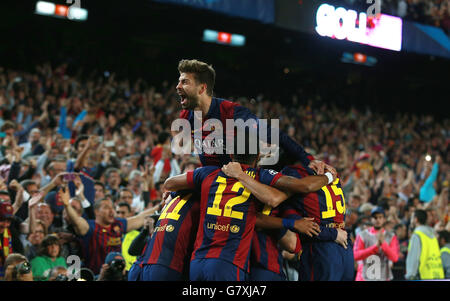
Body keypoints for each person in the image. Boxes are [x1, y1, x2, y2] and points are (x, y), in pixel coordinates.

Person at [164, 133, 332, 281]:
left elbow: (169, 183)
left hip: (198, 262)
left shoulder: (208, 173)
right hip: (230, 263)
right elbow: (292, 193)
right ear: (258, 156)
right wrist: (330, 176)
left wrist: (175, 193)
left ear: (230, 153)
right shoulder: (259, 177)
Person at [175, 59, 335, 176]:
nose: (178, 86)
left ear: (202, 88)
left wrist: (309, 159)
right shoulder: (187, 115)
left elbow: (275, 135)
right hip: (213, 183)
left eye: (185, 82)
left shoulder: (231, 112)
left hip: (241, 184)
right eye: (179, 81)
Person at [221, 161, 350, 281]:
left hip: (227, 261)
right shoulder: (280, 194)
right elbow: (291, 244)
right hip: (266, 265)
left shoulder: (216, 178)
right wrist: (329, 176)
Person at [60, 185, 161, 275]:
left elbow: (140, 218)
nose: (111, 210)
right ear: (96, 211)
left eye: (112, 207)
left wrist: (161, 206)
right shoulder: (90, 227)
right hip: (96, 276)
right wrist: (67, 205)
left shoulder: (118, 224)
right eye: (106, 207)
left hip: (117, 274)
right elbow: (77, 221)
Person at [353, 207, 399, 281]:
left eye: (380, 217)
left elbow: (395, 258)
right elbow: (356, 255)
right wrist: (375, 247)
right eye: (375, 217)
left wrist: (383, 244)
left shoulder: (391, 236)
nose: (378, 220)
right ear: (371, 219)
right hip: (365, 278)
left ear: (384, 219)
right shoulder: (362, 235)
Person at [405, 209, 444, 280]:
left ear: (416, 219)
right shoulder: (433, 236)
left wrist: (410, 275)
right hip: (438, 275)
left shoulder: (417, 235)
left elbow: (414, 258)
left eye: (412, 218)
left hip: (422, 276)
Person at [115, 202, 140, 271]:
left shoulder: (138, 236)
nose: (119, 215)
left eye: (123, 213)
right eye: (117, 212)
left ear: (130, 214)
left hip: (129, 272)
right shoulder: (110, 232)